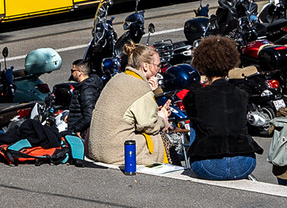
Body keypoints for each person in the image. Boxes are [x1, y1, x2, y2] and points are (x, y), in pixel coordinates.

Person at [180, 37, 258, 180]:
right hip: (245, 162)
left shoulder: (196, 96)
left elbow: (191, 107)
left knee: (195, 119)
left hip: (208, 164)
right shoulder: (241, 94)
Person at [86, 42, 169, 167]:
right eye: (158, 65)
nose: (159, 69)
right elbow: (148, 125)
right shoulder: (140, 87)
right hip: (115, 152)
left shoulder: (117, 78)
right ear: (146, 66)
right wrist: (162, 119)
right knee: (161, 139)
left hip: (96, 149)